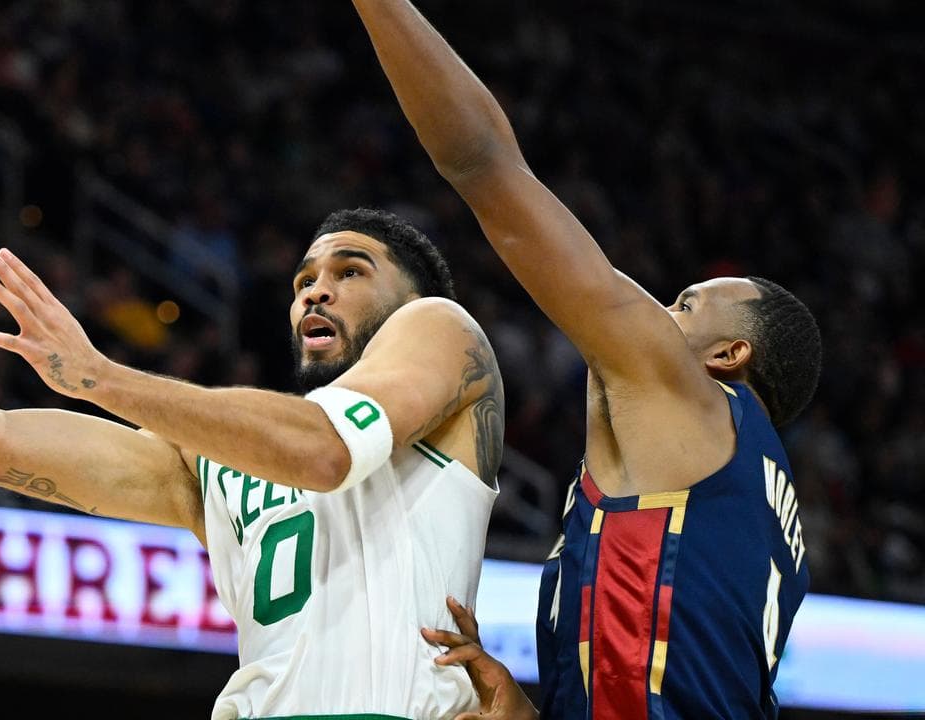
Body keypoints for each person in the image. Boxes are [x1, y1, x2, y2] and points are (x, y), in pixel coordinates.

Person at [0, 157, 505, 719]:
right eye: (305, 277)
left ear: (411, 297)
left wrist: (99, 378)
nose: (315, 288)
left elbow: (324, 450)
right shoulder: (215, 458)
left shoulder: (440, 330)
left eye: (350, 271)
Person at [348, 1, 822, 718]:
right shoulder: (754, 505)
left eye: (684, 307)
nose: (657, 317)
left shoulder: (688, 398)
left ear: (729, 355)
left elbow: (483, 163)